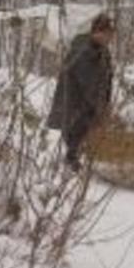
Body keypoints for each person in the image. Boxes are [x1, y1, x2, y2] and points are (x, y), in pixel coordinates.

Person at [46, 13, 115, 171]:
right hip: (75, 103)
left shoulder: (102, 50)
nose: (109, 38)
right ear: (96, 32)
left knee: (85, 134)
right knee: (76, 135)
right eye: (106, 33)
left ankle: (78, 163)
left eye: (111, 34)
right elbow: (88, 83)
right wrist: (100, 106)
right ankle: (71, 167)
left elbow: (106, 78)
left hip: (87, 103)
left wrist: (104, 103)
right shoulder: (84, 51)